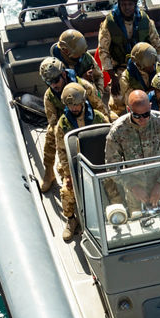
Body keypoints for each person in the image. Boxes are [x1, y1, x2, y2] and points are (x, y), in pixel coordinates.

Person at [104, 90, 160, 212]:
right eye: (137, 116)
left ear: (150, 106)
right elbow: (112, 166)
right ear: (129, 110)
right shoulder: (117, 131)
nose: (143, 119)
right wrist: (133, 186)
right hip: (137, 195)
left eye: (146, 114)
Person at [38, 57, 105, 192]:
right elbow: (53, 121)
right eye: (48, 82)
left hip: (88, 117)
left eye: (56, 80)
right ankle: (49, 172)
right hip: (66, 123)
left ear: (63, 74)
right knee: (51, 134)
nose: (53, 85)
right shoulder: (49, 97)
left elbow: (99, 106)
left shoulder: (84, 87)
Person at [54, 82, 110, 242]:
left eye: (76, 105)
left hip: (98, 162)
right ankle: (71, 219)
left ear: (83, 102)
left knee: (113, 188)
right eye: (70, 106)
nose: (74, 109)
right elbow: (62, 151)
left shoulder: (99, 118)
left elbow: (110, 142)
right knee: (66, 192)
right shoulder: (63, 124)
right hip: (76, 166)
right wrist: (68, 174)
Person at [98, 0, 160, 115]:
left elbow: (157, 45)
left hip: (146, 65)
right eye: (123, 4)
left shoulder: (145, 20)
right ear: (119, 4)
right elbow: (103, 51)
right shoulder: (109, 23)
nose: (127, 7)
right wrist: (113, 77)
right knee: (117, 97)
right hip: (120, 67)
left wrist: (159, 68)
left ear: (135, 4)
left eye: (130, 4)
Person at [50, 29, 105, 101]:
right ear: (66, 51)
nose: (81, 57)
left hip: (88, 94)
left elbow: (99, 76)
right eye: (78, 55)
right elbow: (57, 90)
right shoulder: (54, 67)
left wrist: (98, 96)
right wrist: (81, 80)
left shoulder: (85, 57)